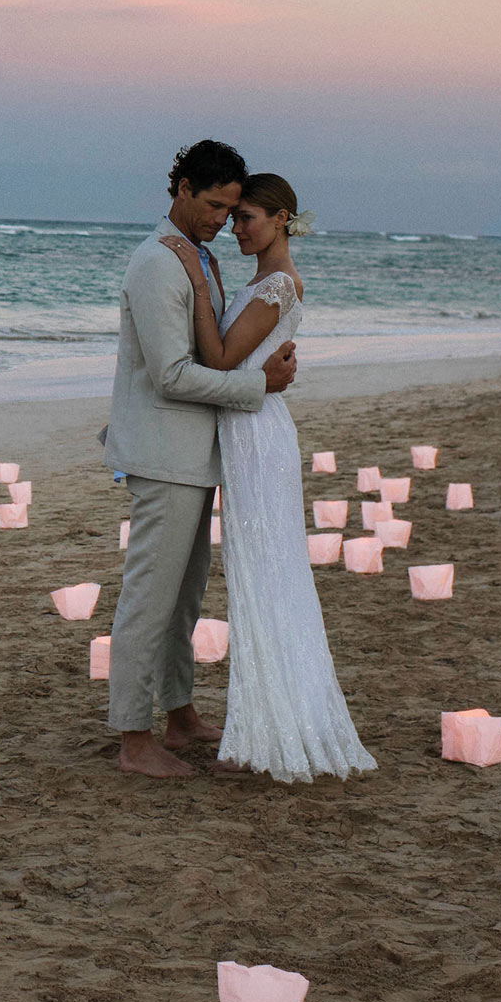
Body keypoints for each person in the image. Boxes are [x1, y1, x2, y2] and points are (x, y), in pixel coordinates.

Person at [161, 171, 375, 782]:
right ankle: (267, 722)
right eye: (232, 219)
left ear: (282, 218)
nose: (235, 228)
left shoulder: (277, 284)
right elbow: (238, 359)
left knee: (266, 577)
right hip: (248, 429)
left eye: (247, 217)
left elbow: (222, 359)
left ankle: (271, 733)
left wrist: (197, 285)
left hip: (256, 436)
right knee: (262, 577)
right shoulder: (262, 281)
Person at [104, 140, 297, 779]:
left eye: (232, 209)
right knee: (149, 598)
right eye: (214, 205)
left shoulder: (199, 260)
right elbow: (170, 376)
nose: (222, 219)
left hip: (196, 454)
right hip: (165, 454)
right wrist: (257, 388)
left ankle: (180, 716)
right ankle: (134, 737)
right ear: (182, 189)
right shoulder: (159, 264)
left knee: (183, 599)